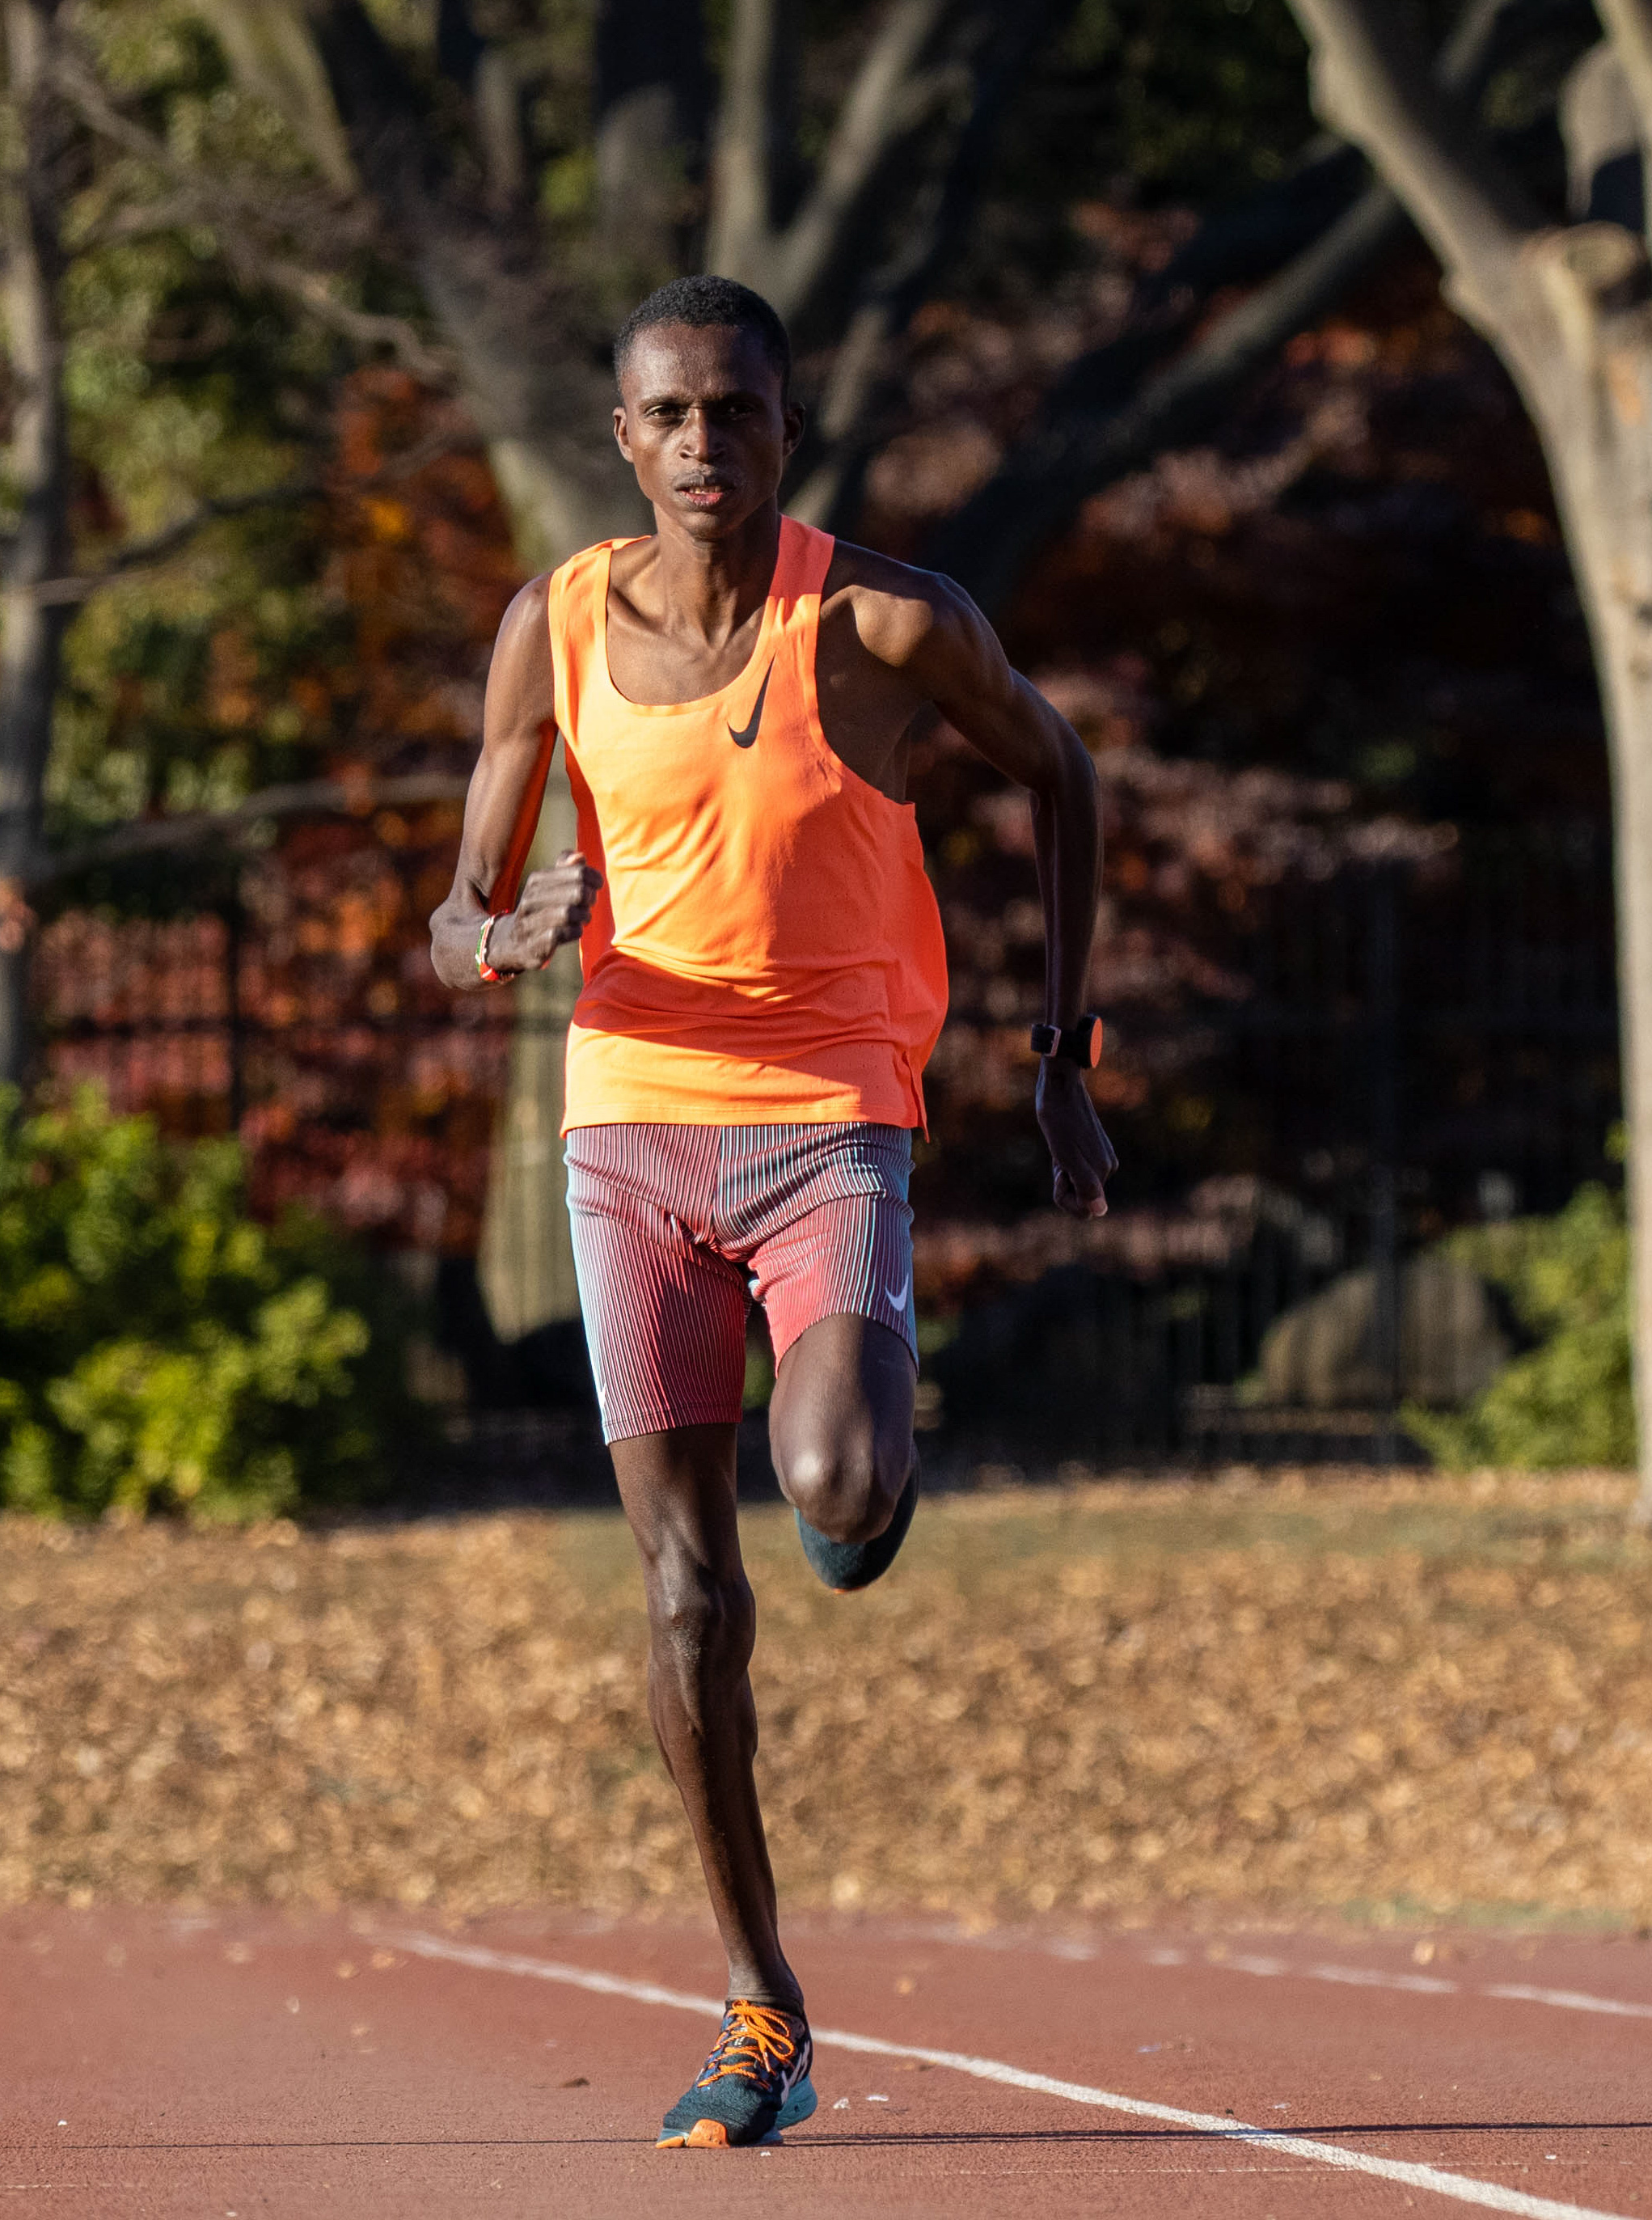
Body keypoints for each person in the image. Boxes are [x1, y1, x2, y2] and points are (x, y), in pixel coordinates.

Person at [432, 273, 1115, 2149]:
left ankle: (865, 1479)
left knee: (827, 1483)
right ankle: (762, 2005)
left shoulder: (886, 622)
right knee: (679, 1595)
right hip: (628, 1132)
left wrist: (1061, 1053)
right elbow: (454, 909)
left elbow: (1062, 775)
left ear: (784, 426)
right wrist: (507, 926)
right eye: (670, 415)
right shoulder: (550, 627)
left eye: (737, 410)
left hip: (832, 1123)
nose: (704, 445)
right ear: (624, 437)